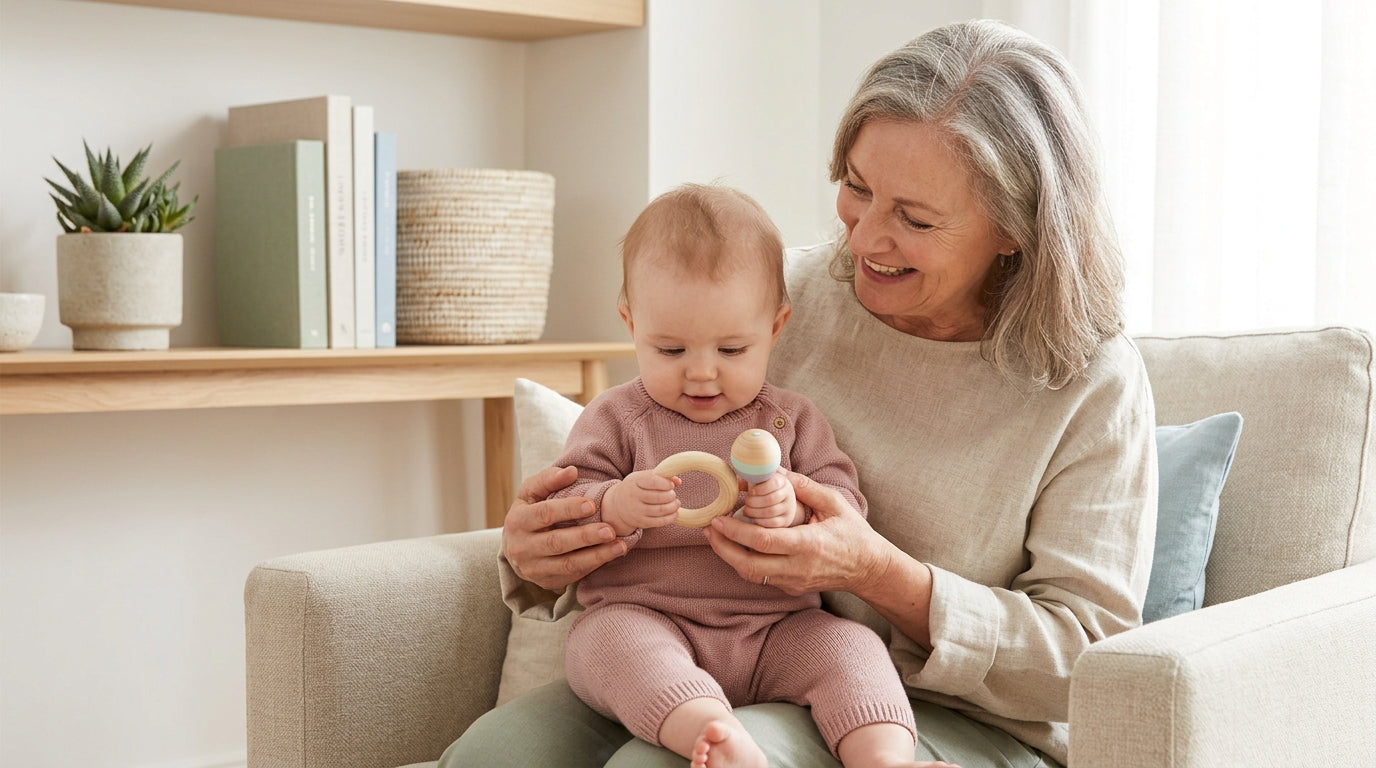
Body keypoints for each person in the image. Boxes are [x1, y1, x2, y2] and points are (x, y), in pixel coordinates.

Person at [442, 18, 1156, 768]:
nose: (865, 238)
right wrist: (544, 549)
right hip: (683, 653)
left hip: (941, 712)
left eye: (913, 219)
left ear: (1015, 229)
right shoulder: (779, 295)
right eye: (856, 188)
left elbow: (1093, 660)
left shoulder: (1087, 379)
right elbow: (623, 458)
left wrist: (877, 572)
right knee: (495, 755)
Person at [543, 182, 946, 768]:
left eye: (732, 350)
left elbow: (844, 507)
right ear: (631, 324)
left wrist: (793, 510)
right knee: (601, 643)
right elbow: (571, 495)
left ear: (776, 329)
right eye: (671, 351)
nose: (702, 374)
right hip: (652, 617)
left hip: (779, 627)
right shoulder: (617, 417)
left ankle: (887, 760)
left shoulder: (790, 419)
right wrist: (615, 504)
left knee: (852, 648)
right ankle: (711, 733)